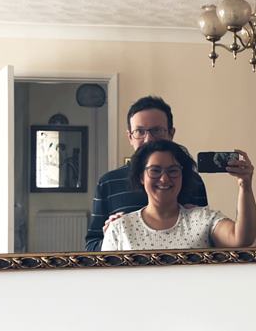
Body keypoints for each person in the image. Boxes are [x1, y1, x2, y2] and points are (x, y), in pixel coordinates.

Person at [85, 96, 208, 251]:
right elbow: (91, 247)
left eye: (157, 130)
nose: (149, 139)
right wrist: (110, 236)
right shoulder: (108, 183)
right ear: (130, 137)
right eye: (140, 131)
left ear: (171, 134)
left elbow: (206, 239)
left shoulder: (192, 180)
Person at [101, 140, 256, 251]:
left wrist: (245, 185)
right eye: (155, 171)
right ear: (141, 176)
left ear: (183, 175)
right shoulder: (119, 228)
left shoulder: (203, 219)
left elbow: (241, 239)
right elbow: (107, 281)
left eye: (173, 171)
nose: (164, 179)